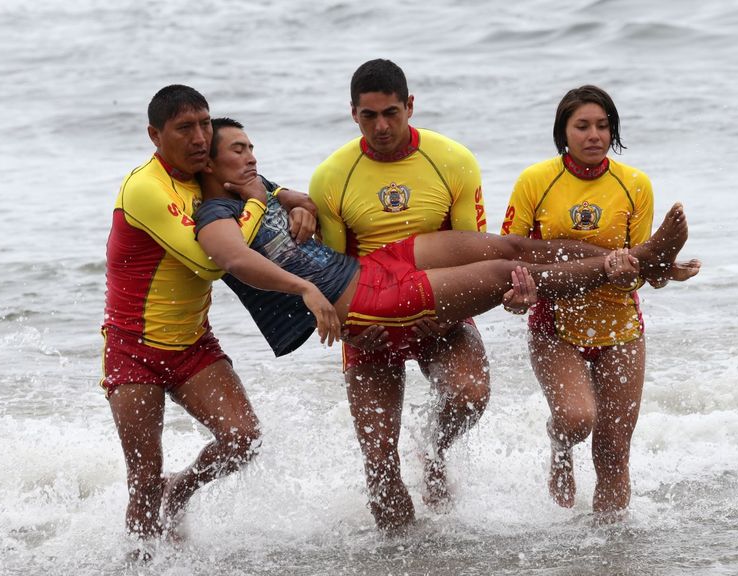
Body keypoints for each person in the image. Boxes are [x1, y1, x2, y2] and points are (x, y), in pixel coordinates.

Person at [193, 117, 696, 532]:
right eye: (239, 150)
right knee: (503, 278)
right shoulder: (216, 213)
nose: (252, 157)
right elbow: (235, 259)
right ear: (211, 163)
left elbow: (303, 202)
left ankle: (640, 260)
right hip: (363, 303)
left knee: (507, 248)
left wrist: (291, 200)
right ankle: (404, 552)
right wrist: (304, 287)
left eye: (252, 146)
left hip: (372, 266)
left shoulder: (255, 187)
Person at [100, 85, 314, 547]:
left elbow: (278, 189)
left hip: (193, 345)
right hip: (132, 349)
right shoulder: (145, 188)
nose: (200, 137)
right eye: (184, 128)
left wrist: (301, 205)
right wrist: (257, 203)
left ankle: (181, 490)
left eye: (204, 123)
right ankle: (141, 565)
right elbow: (210, 263)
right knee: (142, 479)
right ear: (155, 135)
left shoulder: (206, 172)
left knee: (243, 439)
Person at [306, 58, 496, 530]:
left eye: (391, 112)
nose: (381, 126)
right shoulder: (332, 176)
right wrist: (352, 329)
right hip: (370, 323)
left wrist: (451, 315)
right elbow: (333, 273)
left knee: (470, 396)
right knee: (379, 464)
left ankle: (433, 446)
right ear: (353, 114)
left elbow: (474, 254)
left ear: (410, 106)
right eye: (368, 116)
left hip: (439, 309)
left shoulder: (453, 159)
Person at [501, 85, 701, 521]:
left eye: (603, 126)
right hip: (555, 322)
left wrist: (659, 270)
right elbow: (509, 255)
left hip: (620, 324)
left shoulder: (635, 184)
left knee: (613, 448)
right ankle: (558, 445)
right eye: (583, 126)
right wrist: (517, 299)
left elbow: (640, 268)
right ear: (564, 132)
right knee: (576, 420)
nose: (594, 135)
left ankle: (610, 547)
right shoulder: (535, 181)